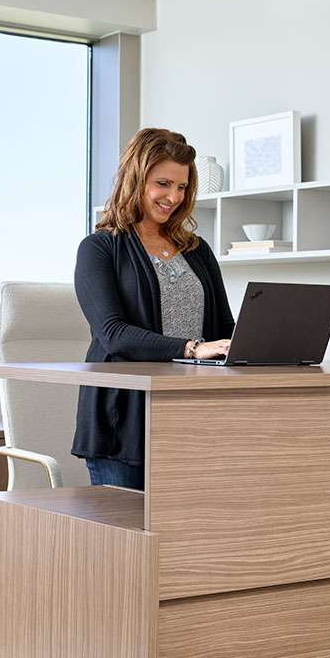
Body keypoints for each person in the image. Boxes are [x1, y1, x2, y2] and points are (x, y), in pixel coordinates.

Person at [72, 128, 235, 490]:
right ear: (135, 179)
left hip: (190, 417)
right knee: (126, 540)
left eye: (182, 187)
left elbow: (224, 325)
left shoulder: (196, 249)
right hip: (124, 419)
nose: (174, 197)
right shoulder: (100, 249)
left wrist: (262, 342)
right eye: (163, 183)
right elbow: (113, 335)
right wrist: (192, 348)